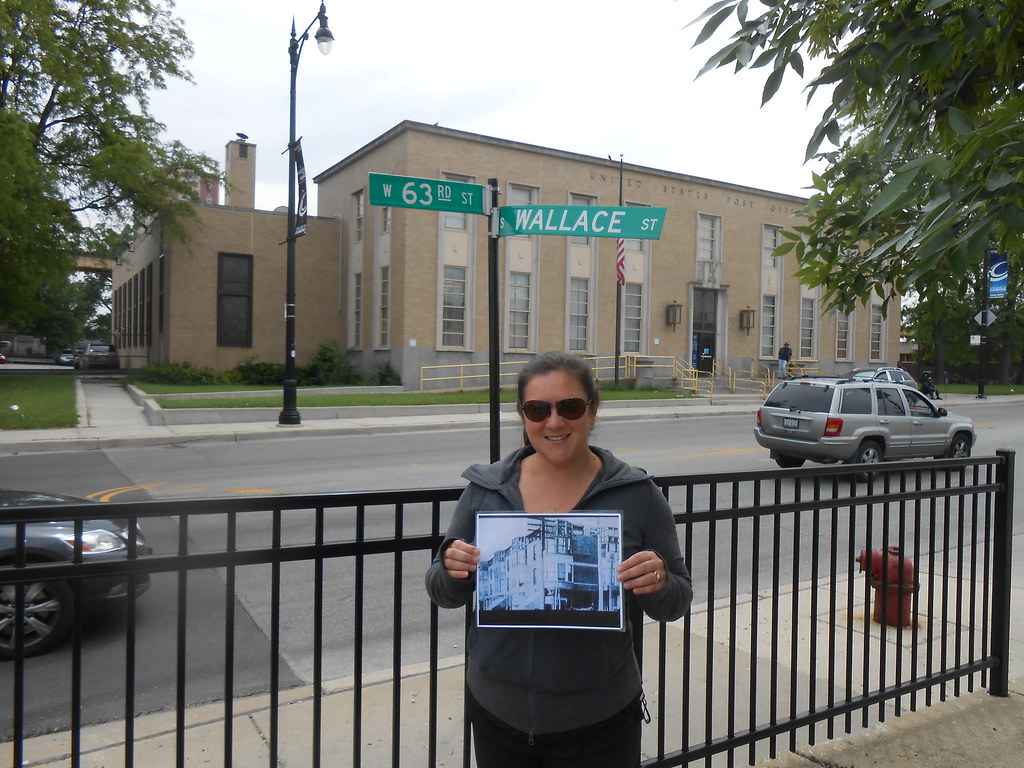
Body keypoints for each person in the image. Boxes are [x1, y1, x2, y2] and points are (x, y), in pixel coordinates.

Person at [425, 351, 693, 767]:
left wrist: (658, 582)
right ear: (523, 415)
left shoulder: (637, 495)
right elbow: (442, 590)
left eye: (569, 406)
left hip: (600, 720)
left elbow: (677, 600)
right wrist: (452, 569)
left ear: (593, 408)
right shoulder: (486, 491)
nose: (554, 422)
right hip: (498, 713)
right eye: (538, 409)